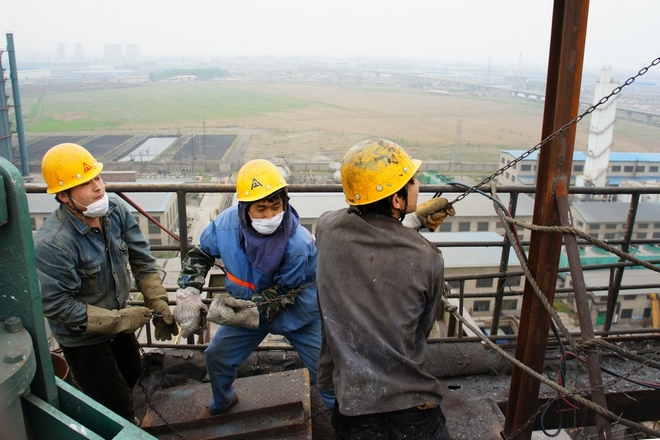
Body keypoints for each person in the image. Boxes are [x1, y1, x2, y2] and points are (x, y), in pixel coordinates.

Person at [315, 139, 455, 439]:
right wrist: (409, 229)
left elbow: (360, 230)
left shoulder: (325, 228)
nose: (418, 185)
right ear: (397, 200)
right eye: (412, 181)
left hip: (352, 401)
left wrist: (408, 222)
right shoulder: (427, 257)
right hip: (410, 403)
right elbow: (421, 328)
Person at [173, 159, 335, 416]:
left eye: (276, 206)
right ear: (244, 208)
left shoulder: (298, 243)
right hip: (245, 309)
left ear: (285, 202)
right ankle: (224, 401)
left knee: (327, 374)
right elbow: (202, 254)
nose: (270, 216)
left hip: (298, 315)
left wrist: (243, 312)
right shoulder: (226, 226)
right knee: (217, 357)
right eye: (261, 209)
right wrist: (189, 292)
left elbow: (286, 292)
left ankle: (345, 420)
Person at [34, 143, 178, 424]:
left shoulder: (114, 210)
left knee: (131, 373)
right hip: (84, 340)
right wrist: (121, 320)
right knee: (113, 402)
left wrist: (157, 300)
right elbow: (57, 305)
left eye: (97, 177)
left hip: (117, 324)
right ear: (63, 196)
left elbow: (141, 257)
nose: (98, 187)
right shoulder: (53, 243)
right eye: (85, 183)